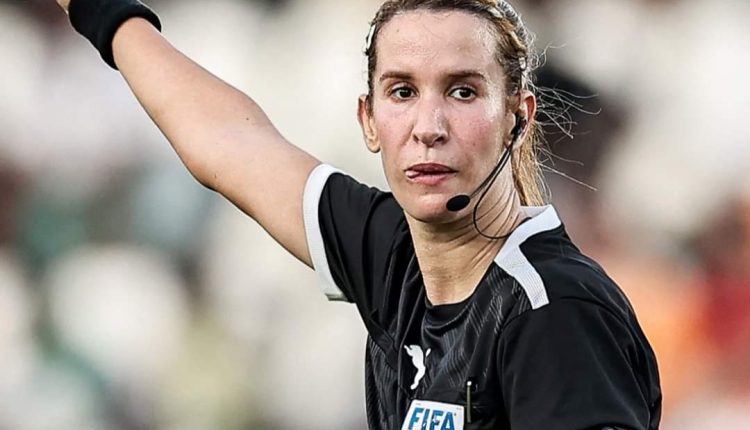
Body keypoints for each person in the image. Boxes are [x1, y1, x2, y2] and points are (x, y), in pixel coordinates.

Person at [53, 0, 662, 428]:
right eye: (403, 92)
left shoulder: (553, 312)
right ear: (369, 122)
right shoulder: (397, 258)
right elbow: (229, 144)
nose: (428, 127)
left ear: (518, 117)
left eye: (463, 91)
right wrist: (100, 9)